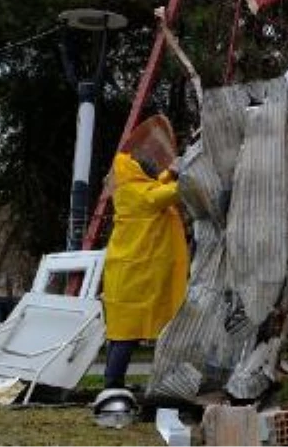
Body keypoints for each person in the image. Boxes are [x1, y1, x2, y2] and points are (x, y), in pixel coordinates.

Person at [100, 144, 189, 390]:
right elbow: (176, 191)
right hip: (136, 278)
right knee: (126, 336)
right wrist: (186, 171)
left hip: (126, 276)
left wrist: (170, 172)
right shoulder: (143, 196)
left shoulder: (131, 192)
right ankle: (114, 386)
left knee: (121, 335)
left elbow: (157, 188)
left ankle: (112, 383)